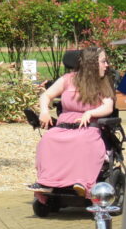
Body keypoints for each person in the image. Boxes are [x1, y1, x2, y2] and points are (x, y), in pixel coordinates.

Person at [27, 47, 116, 198]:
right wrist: (44, 111)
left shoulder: (103, 82)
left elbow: (108, 106)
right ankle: (46, 182)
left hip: (89, 127)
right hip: (63, 127)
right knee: (49, 139)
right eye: (103, 61)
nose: (106, 65)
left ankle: (82, 182)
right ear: (92, 64)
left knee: (83, 141)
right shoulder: (68, 79)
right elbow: (46, 95)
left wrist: (90, 112)